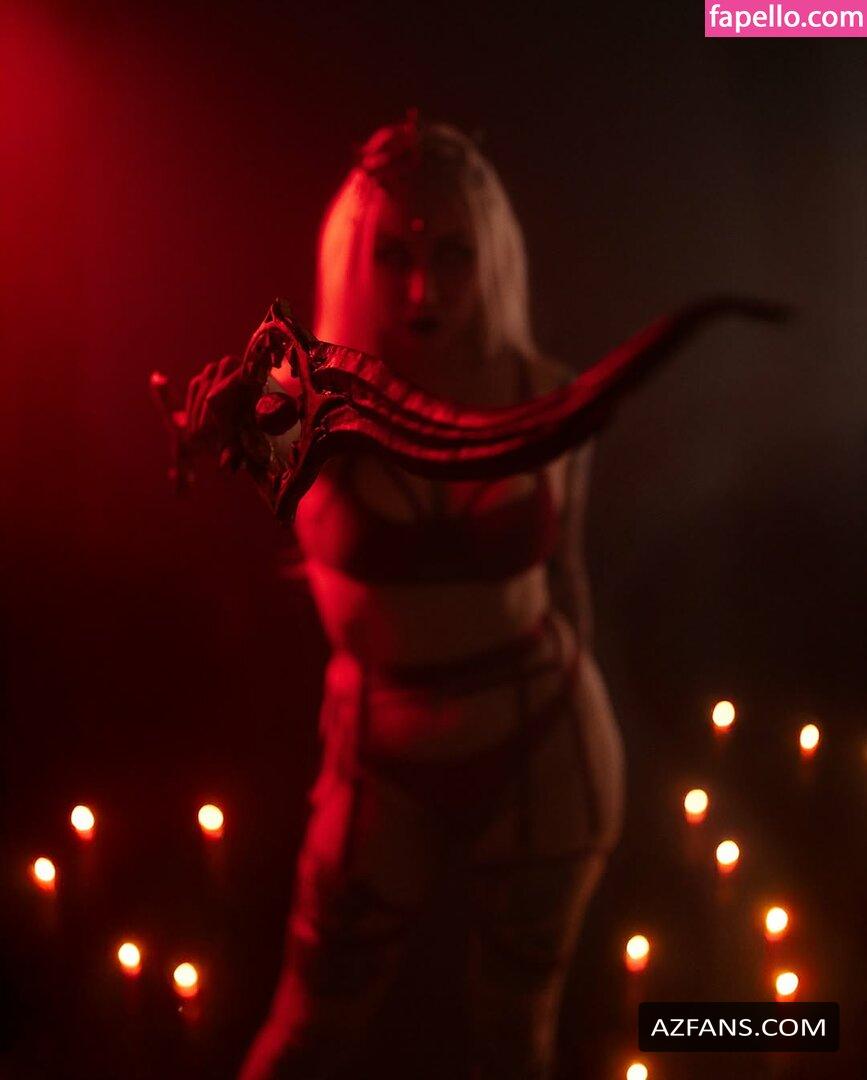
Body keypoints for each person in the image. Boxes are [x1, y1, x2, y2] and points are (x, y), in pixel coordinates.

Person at [186, 115, 625, 1079]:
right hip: (379, 757)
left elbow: (568, 580)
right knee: (309, 1032)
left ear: (492, 253)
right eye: (394, 255)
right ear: (356, 256)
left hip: (544, 741)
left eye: (453, 253)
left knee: (516, 1037)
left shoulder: (547, 392)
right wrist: (231, 435)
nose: (424, 289)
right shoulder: (289, 410)